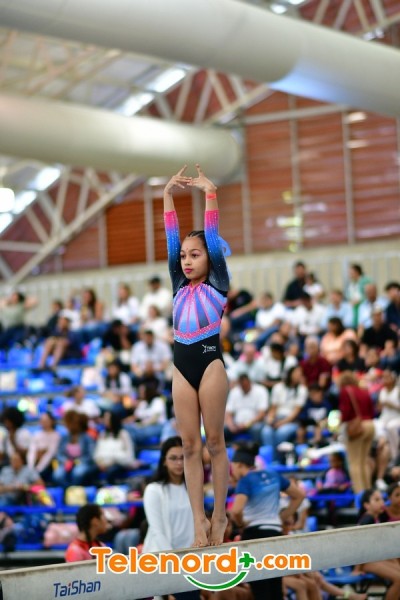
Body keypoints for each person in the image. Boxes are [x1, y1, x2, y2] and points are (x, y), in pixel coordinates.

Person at [163, 164, 230, 547]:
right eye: (184, 256)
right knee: (189, 446)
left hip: (209, 364)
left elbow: (212, 234)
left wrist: (210, 193)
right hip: (181, 367)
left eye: (195, 255)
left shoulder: (218, 281)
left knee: (214, 443)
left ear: (211, 258)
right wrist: (167, 196)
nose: (187, 261)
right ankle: (198, 521)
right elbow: (171, 239)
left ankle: (220, 516)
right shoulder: (178, 283)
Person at [229, 443, 304, 600]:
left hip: (254, 535)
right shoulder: (273, 475)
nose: (232, 471)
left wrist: (241, 523)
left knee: (261, 590)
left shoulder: (245, 481)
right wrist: (281, 518)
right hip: (275, 534)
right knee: (276, 587)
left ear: (239, 465)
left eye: (232, 467)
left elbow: (236, 510)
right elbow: (299, 496)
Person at [142, 436, 200, 600]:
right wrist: (174, 562)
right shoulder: (154, 490)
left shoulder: (193, 488)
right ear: (164, 461)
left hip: (189, 562)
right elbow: (158, 531)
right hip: (162, 562)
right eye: (173, 458)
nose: (179, 463)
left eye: (183, 458)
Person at [356, 488, 400, 600]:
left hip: (375, 559)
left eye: (382, 499)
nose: (381, 502)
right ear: (366, 505)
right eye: (377, 500)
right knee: (399, 579)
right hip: (365, 562)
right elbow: (359, 545)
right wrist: (357, 569)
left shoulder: (378, 518)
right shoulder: (367, 519)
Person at [338, 372, 375, 493]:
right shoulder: (364, 391)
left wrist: (341, 422)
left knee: (354, 463)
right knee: (364, 461)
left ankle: (360, 495)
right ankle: (368, 492)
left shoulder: (346, 391)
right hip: (370, 425)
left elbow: (346, 412)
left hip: (357, 427)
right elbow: (372, 410)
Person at [261, 365, 307, 460]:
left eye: (300, 374)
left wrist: (281, 423)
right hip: (277, 418)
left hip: (291, 421)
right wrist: (270, 419)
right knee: (266, 431)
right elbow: (273, 408)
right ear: (290, 374)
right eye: (296, 373)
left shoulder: (302, 390)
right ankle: (268, 460)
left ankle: (278, 459)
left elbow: (296, 412)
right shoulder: (278, 387)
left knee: (281, 433)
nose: (299, 376)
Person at [94, 411, 136, 484]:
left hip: (119, 464)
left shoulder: (123, 434)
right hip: (103, 464)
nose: (105, 421)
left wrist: (111, 461)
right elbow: (97, 452)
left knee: (111, 472)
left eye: (107, 419)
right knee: (89, 471)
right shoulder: (102, 434)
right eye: (104, 419)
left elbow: (129, 456)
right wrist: (99, 462)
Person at [27, 412, 61, 482]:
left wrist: (38, 469)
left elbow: (50, 453)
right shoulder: (36, 434)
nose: (44, 423)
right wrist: (30, 467)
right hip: (35, 463)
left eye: (46, 420)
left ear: (52, 421)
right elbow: (32, 451)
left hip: (48, 465)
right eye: (42, 420)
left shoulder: (56, 436)